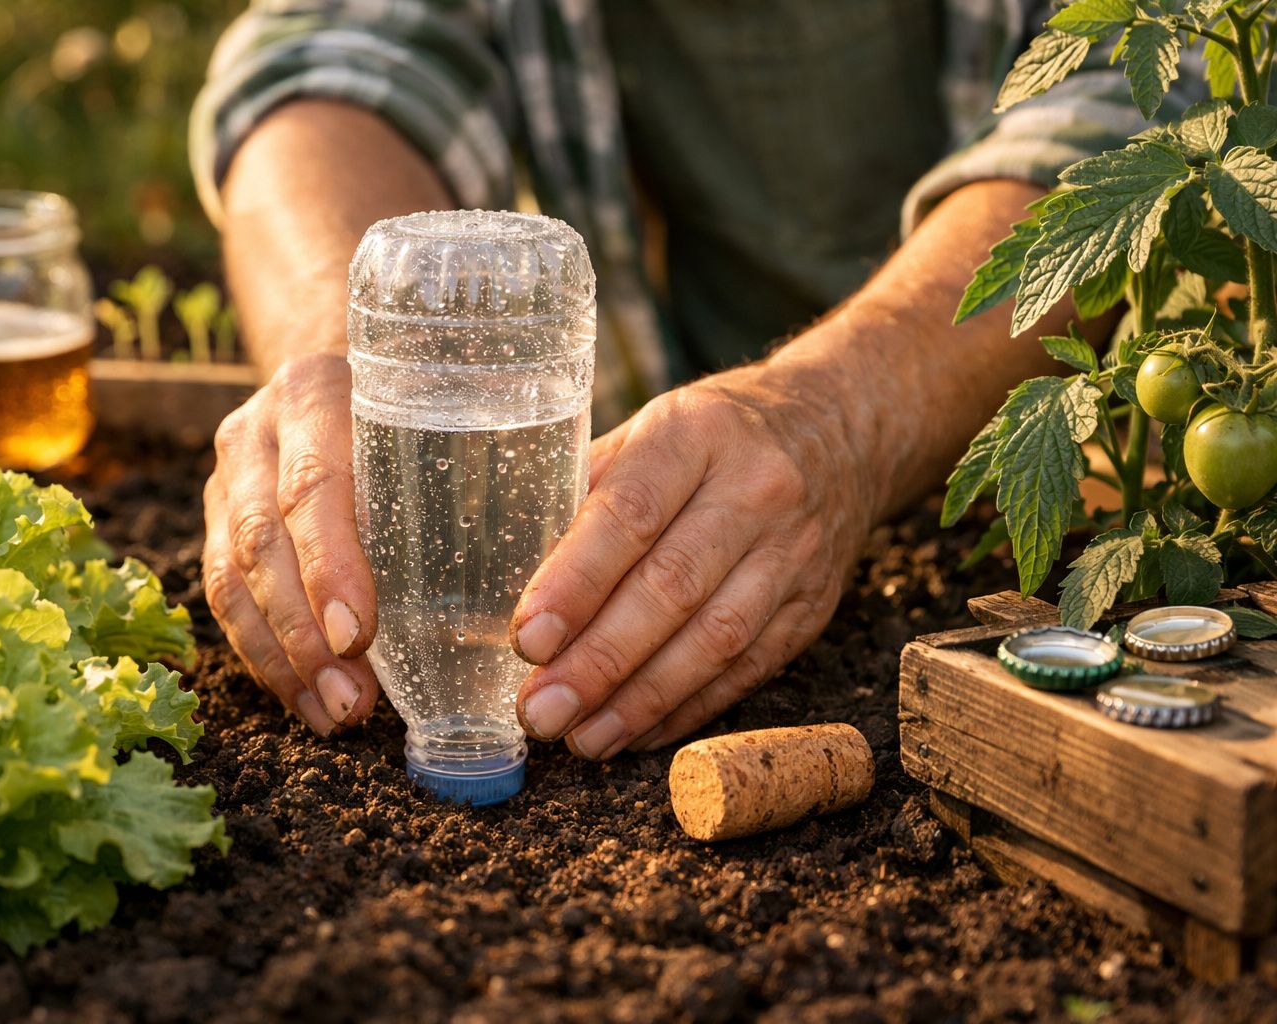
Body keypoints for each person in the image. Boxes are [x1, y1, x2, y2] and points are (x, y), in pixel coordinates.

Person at [189, 1, 1198, 760]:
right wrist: (345, 362)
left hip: (1093, 478)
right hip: (645, 455)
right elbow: (335, 49)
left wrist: (840, 419)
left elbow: (1153, 92)